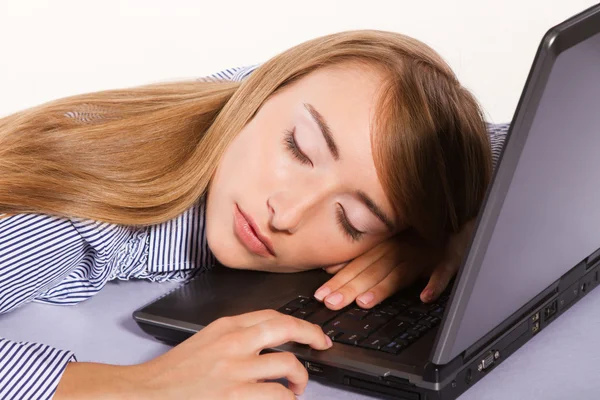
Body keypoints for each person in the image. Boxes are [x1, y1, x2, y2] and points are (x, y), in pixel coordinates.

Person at [0, 30, 508, 399]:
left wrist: (455, 231)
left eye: (353, 221)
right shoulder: (72, 218)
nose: (287, 215)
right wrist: (139, 387)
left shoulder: (310, 102)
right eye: (299, 149)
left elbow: (536, 142)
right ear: (258, 91)